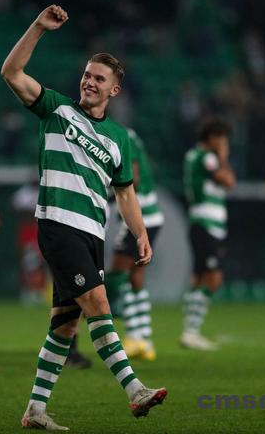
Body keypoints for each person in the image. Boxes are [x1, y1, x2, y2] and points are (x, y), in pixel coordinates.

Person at [0, 5, 167, 430]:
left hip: (93, 232)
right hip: (59, 224)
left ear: (114, 90)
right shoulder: (56, 109)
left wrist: (140, 232)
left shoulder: (119, 139)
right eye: (87, 75)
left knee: (65, 324)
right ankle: (135, 390)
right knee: (99, 303)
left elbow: (125, 192)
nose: (89, 81)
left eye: (99, 78)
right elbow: (11, 73)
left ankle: (36, 410)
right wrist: (38, 28)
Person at [105, 127, 164, 360]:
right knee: (135, 276)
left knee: (117, 275)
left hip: (140, 217)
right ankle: (144, 340)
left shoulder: (119, 137)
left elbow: (134, 179)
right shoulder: (130, 135)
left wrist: (106, 195)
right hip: (152, 214)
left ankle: (132, 336)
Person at [181, 117, 236, 351]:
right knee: (213, 279)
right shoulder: (207, 157)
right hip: (206, 224)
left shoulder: (194, 156)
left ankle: (190, 330)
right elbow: (229, 181)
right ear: (212, 138)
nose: (224, 144)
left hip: (204, 224)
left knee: (200, 277)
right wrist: (223, 157)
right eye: (222, 139)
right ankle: (191, 331)